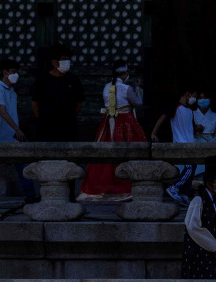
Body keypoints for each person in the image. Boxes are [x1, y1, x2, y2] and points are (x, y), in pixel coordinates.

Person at [79, 61, 145, 201]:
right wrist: (138, 90)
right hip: (125, 122)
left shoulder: (107, 87)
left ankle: (103, 185)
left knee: (105, 152)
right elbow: (137, 103)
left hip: (108, 122)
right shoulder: (126, 88)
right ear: (124, 74)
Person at [0, 58, 36, 203]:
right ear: (5, 72)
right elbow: (3, 112)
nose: (15, 75)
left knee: (22, 166)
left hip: (11, 137)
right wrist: (17, 129)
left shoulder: (12, 92)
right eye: (13, 72)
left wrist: (16, 130)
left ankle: (30, 196)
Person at [151, 88, 198, 206]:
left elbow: (190, 127)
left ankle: (184, 194)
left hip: (191, 144)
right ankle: (174, 187)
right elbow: (162, 118)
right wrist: (154, 133)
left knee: (192, 169)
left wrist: (199, 128)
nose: (194, 99)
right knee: (188, 168)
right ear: (187, 94)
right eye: (194, 96)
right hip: (180, 144)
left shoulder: (190, 111)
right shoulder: (175, 107)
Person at [31, 44, 84, 142]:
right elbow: (35, 103)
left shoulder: (73, 80)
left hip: (68, 126)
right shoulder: (42, 80)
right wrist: (43, 118)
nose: (67, 62)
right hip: (46, 126)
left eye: (68, 59)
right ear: (54, 62)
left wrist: (69, 116)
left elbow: (79, 103)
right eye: (64, 59)